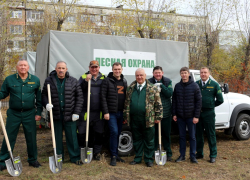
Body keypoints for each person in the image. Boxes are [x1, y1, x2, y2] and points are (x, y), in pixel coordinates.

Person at [0, 59, 43, 171]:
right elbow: (3, 93)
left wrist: (38, 112)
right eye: (21, 65)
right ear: (17, 67)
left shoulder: (35, 80)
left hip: (29, 113)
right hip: (14, 113)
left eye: (25, 65)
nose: (23, 67)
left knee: (31, 137)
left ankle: (33, 159)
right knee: (9, 136)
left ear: (28, 67)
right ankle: (3, 161)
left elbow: (39, 99)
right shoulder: (10, 79)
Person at [42, 61, 83, 165]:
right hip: (56, 114)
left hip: (70, 114)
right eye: (59, 68)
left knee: (72, 137)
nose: (61, 70)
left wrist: (76, 112)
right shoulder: (49, 81)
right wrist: (46, 104)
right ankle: (59, 157)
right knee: (57, 137)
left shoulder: (73, 81)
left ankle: (75, 157)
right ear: (56, 69)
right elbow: (43, 95)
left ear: (66, 69)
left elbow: (80, 98)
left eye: (63, 68)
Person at [124, 68, 163, 167]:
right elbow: (126, 103)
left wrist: (158, 116)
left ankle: (148, 159)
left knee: (149, 140)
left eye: (141, 75)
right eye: (137, 75)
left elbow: (158, 104)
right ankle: (137, 158)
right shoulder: (130, 88)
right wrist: (126, 115)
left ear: (145, 75)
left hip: (148, 119)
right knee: (137, 139)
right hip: (134, 119)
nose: (139, 77)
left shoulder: (152, 88)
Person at [172, 67, 202, 163]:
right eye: (182, 73)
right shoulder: (177, 86)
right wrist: (174, 114)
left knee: (192, 137)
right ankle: (182, 155)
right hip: (180, 116)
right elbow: (174, 101)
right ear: (180, 74)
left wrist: (196, 116)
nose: (184, 75)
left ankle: (192, 156)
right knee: (182, 136)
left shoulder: (195, 86)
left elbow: (199, 102)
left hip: (191, 117)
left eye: (185, 73)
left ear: (189, 74)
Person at [78, 60, 105, 160]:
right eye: (92, 67)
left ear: (99, 68)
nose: (94, 69)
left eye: (96, 67)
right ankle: (83, 151)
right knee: (82, 133)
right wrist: (86, 82)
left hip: (99, 112)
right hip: (85, 111)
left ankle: (97, 152)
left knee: (99, 133)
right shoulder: (83, 77)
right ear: (89, 68)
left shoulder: (103, 78)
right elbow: (78, 90)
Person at [101, 62, 127, 166]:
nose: (117, 71)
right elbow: (102, 97)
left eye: (119, 69)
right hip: (111, 113)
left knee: (118, 133)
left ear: (122, 69)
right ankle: (113, 156)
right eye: (115, 69)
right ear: (112, 70)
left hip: (121, 113)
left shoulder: (124, 81)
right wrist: (106, 112)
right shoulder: (107, 81)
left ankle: (116, 154)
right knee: (114, 132)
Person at [196, 67, 224, 163]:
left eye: (205, 72)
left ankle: (213, 155)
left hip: (209, 113)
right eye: (201, 72)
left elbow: (220, 100)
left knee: (211, 134)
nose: (203, 74)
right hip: (198, 114)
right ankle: (199, 153)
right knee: (198, 134)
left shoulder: (214, 85)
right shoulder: (196, 84)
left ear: (209, 73)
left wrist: (211, 105)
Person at [148, 66, 173, 161]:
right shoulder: (149, 81)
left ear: (162, 73)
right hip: (154, 113)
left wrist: (161, 85)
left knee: (166, 134)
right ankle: (154, 152)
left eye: (159, 72)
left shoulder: (167, 81)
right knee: (154, 135)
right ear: (153, 73)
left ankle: (168, 153)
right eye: (156, 73)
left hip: (166, 112)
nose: (158, 74)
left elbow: (169, 93)